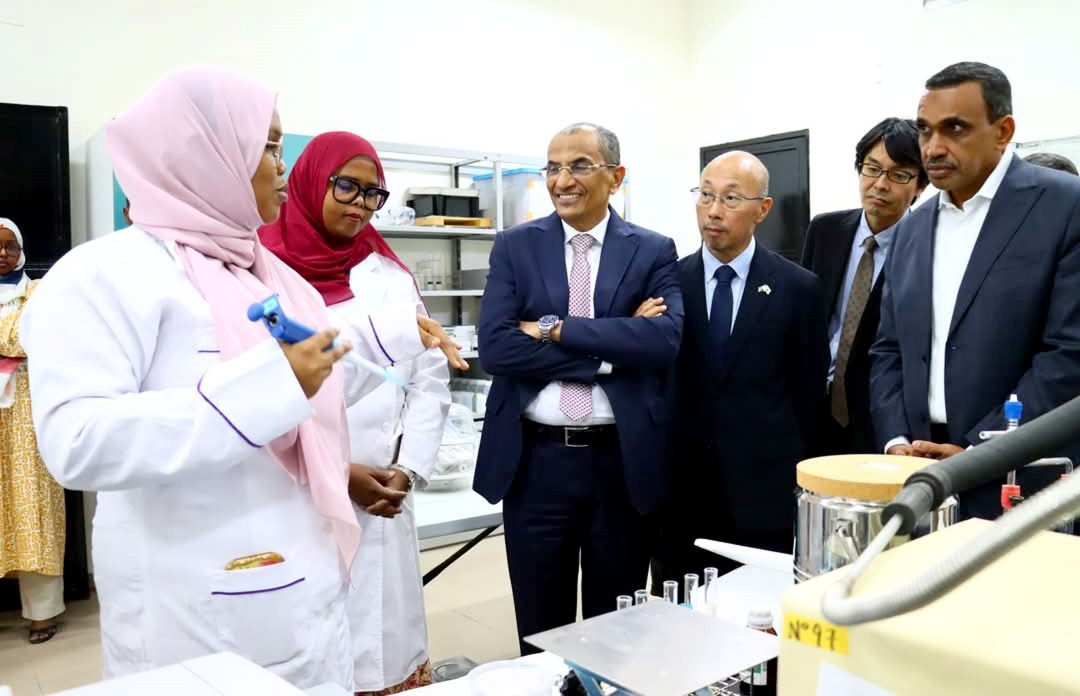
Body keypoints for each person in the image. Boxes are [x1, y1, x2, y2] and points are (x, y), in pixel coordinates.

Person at [18, 67, 448, 689]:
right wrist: (270, 387)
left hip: (305, 587)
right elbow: (78, 443)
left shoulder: (268, 274)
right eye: (268, 146)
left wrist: (390, 338)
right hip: (196, 601)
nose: (281, 165)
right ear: (206, 153)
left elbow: (313, 393)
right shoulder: (103, 277)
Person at [474, 123, 683, 652]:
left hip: (620, 465)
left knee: (615, 633)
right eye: (553, 167)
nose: (562, 180)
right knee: (541, 632)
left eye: (579, 166)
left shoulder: (654, 250)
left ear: (616, 177)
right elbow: (497, 349)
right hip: (535, 465)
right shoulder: (516, 247)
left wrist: (551, 328)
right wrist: (612, 353)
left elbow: (662, 340)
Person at [260, 131, 456, 694]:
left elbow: (429, 378)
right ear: (309, 178)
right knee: (308, 653)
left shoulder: (389, 275)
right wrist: (336, 473)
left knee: (381, 641)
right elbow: (260, 391)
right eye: (346, 185)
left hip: (384, 495)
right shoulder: (262, 268)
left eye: (373, 193)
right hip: (295, 491)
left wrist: (408, 468)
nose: (360, 203)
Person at [871, 62, 1080, 520]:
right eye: (925, 131)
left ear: (1003, 130)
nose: (934, 147)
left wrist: (975, 451)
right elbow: (889, 349)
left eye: (955, 129)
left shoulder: (1065, 206)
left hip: (1023, 475)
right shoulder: (913, 228)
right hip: (918, 475)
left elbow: (1067, 356)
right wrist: (897, 442)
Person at [657, 151, 827, 582]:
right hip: (681, 491)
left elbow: (808, 397)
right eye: (706, 196)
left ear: (763, 209)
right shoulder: (668, 285)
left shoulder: (797, 288)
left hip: (763, 495)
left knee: (756, 622)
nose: (713, 211)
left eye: (731, 199)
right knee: (680, 616)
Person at [802, 119, 927, 456]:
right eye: (872, 169)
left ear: (920, 186)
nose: (880, 184)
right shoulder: (824, 231)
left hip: (881, 417)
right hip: (814, 406)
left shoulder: (927, 248)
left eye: (899, 174)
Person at [0, 218, 66, 644]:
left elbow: (26, 337)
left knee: (33, 510)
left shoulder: (41, 292)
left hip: (26, 417)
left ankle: (42, 613)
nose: (2, 253)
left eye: (9, 246)